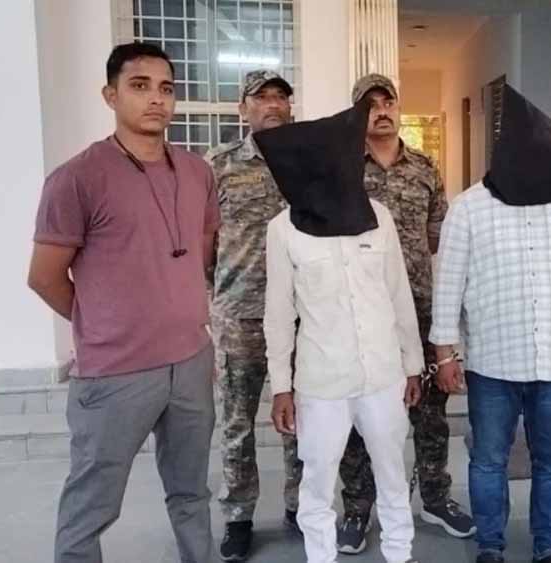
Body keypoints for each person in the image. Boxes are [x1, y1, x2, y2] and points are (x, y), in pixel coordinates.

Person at [28, 42, 219, 563]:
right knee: (92, 505)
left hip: (190, 362)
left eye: (166, 88)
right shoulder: (77, 178)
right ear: (110, 95)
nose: (156, 98)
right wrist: (103, 321)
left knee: (191, 493)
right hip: (115, 372)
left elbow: (199, 253)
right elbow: (44, 277)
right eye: (139, 86)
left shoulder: (198, 172)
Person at [431, 85, 551, 563]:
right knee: (488, 460)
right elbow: (448, 282)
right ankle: (490, 545)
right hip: (491, 361)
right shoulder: (469, 206)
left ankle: (550, 545)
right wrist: (445, 353)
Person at [258, 102, 423, 563]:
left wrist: (412, 365)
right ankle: (320, 556)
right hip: (321, 382)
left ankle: (399, 554)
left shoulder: (379, 217)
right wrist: (282, 386)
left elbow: (399, 295)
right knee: (316, 482)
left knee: (392, 475)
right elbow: (278, 313)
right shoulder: (284, 229)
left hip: (383, 375)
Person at [336, 73, 474, 555]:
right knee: (359, 410)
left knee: (431, 412)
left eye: (388, 101)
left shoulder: (424, 167)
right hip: (362, 313)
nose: (381, 110)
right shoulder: (343, 169)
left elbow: (440, 235)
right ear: (357, 114)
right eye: (370, 104)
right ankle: (358, 507)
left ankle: (435, 497)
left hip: (419, 308)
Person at [205, 69, 304, 561]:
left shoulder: (308, 161)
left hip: (301, 317)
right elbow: (202, 242)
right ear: (243, 108)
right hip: (240, 316)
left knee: (300, 418)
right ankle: (239, 516)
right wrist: (216, 296)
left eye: (280, 96)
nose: (272, 104)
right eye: (261, 97)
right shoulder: (218, 165)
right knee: (237, 425)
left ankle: (299, 506)